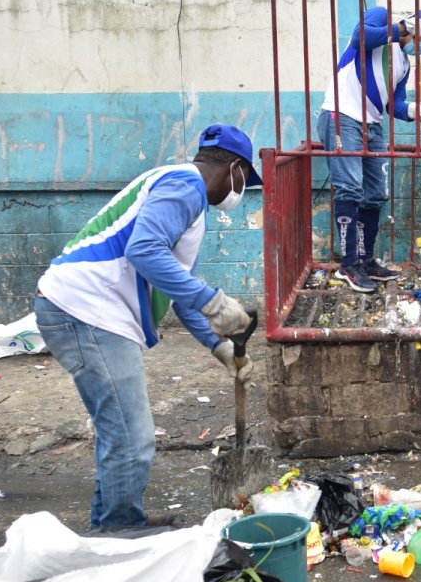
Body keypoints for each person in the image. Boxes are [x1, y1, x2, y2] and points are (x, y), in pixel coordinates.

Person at [34, 123, 259, 529]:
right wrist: (214, 301)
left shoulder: (183, 196)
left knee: (118, 429)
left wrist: (220, 347)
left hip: (85, 309)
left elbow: (176, 289)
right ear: (235, 169)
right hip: (87, 311)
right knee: (132, 437)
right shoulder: (185, 187)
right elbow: (144, 251)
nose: (242, 192)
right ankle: (119, 534)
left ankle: (119, 519)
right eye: (246, 181)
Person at [318, 6, 421, 293]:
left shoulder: (406, 66)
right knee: (349, 188)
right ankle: (349, 265)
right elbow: (359, 36)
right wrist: (402, 29)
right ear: (419, 30)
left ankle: (365, 259)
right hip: (343, 114)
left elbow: (392, 105)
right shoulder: (380, 18)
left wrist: (414, 110)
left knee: (376, 193)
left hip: (372, 124)